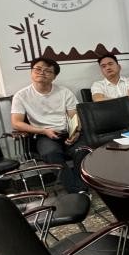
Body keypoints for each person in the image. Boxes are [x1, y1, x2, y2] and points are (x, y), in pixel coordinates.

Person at [10, 57, 86, 193]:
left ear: (54, 76)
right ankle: (77, 191)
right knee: (51, 153)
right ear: (31, 72)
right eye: (38, 69)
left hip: (68, 132)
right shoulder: (21, 95)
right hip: (44, 135)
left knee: (83, 150)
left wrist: (76, 132)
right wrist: (43, 131)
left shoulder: (64, 92)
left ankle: (81, 187)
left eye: (47, 71)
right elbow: (16, 123)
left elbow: (74, 116)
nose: (42, 73)